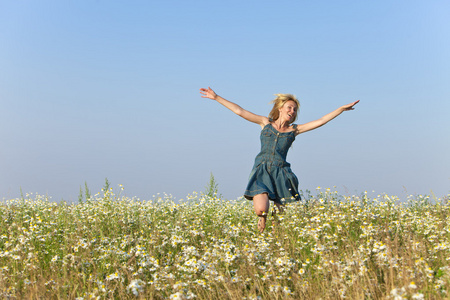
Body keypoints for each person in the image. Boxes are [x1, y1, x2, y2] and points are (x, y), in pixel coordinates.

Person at [200, 87, 359, 232]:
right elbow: (239, 111)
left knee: (280, 218)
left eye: (295, 109)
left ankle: (276, 242)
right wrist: (216, 97)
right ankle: (261, 234)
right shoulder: (265, 123)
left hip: (281, 172)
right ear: (280, 108)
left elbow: (321, 121)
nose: (292, 111)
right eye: (289, 107)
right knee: (261, 210)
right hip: (261, 169)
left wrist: (340, 109)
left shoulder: (294, 130)